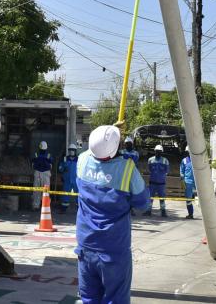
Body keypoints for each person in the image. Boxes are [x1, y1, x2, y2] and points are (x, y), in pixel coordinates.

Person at [75, 125, 150, 304]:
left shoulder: (82, 160)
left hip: (86, 245)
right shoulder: (127, 169)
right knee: (116, 299)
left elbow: (99, 154)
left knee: (89, 298)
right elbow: (143, 204)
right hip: (113, 248)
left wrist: (109, 136)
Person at [146, 144, 170, 217]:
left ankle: (163, 211)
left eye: (159, 151)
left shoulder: (165, 160)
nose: (158, 152)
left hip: (161, 183)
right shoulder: (150, 160)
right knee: (150, 197)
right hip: (152, 182)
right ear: (155, 151)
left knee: (162, 198)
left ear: (161, 152)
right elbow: (149, 169)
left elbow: (167, 171)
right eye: (157, 151)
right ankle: (148, 211)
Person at [31, 141, 54, 210]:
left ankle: (37, 205)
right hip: (43, 173)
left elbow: (33, 164)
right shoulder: (47, 155)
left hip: (40, 173)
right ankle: (43, 206)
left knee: (38, 190)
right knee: (42, 191)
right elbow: (51, 165)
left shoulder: (37, 155)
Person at [58, 144, 80, 213]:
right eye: (70, 150)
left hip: (76, 181)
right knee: (65, 195)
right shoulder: (65, 158)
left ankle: (80, 210)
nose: (71, 152)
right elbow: (60, 168)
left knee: (78, 195)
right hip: (67, 181)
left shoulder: (78, 159)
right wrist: (63, 169)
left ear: (75, 151)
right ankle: (63, 209)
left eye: (73, 150)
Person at [180, 149, 196, 219]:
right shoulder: (184, 160)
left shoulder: (197, 160)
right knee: (188, 199)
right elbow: (182, 171)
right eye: (189, 152)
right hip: (188, 182)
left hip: (197, 183)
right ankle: (190, 214)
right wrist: (182, 180)